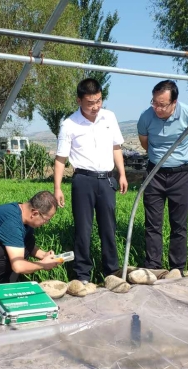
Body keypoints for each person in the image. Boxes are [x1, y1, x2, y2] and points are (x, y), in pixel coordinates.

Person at [54, 78, 127, 283]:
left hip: (107, 180)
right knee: (83, 229)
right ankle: (82, 275)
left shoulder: (109, 117)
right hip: (83, 181)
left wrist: (122, 174)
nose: (95, 106)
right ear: (79, 101)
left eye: (99, 101)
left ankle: (111, 272)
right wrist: (57, 188)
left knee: (108, 227)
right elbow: (60, 159)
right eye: (90, 103)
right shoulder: (69, 125)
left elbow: (116, 147)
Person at [137, 80, 188, 275]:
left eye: (162, 104)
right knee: (152, 223)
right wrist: (159, 158)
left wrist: (182, 157)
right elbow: (144, 143)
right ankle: (153, 267)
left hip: (181, 175)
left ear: (174, 102)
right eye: (154, 103)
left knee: (179, 224)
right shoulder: (146, 117)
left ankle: (177, 268)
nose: (157, 108)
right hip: (154, 174)